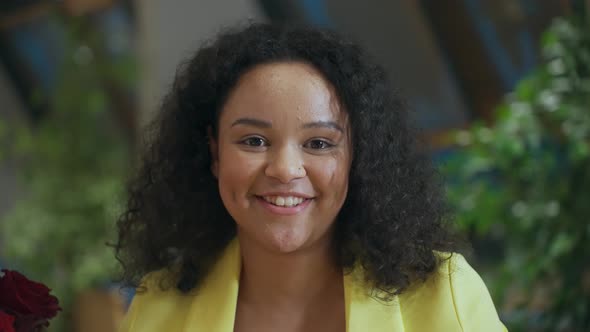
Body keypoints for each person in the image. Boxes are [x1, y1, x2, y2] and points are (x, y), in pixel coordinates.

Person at [114, 22, 507, 332]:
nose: (285, 169)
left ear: (357, 157)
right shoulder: (156, 310)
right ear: (215, 153)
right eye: (253, 140)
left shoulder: (444, 295)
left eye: (319, 143)